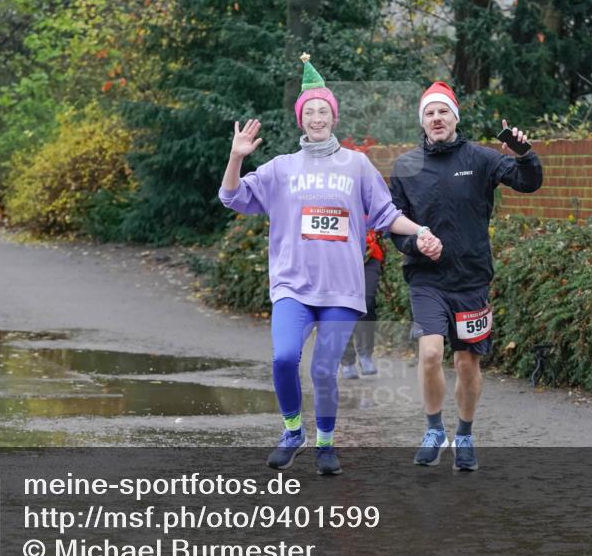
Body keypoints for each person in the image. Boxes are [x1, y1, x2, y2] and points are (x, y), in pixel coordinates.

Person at [219, 55, 441, 475]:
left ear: (334, 117)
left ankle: (325, 443)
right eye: (310, 112)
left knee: (323, 369)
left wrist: (419, 230)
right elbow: (231, 197)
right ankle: (292, 431)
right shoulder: (281, 169)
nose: (317, 118)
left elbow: (385, 214)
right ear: (301, 120)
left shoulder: (356, 165)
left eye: (324, 111)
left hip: (341, 289)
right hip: (291, 286)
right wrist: (236, 158)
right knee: (284, 358)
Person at [389, 81, 542, 471]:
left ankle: (466, 435)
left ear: (455, 117)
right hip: (427, 280)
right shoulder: (406, 167)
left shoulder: (482, 158)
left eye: (443, 112)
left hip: (472, 280)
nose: (436, 118)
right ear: (421, 121)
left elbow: (529, 182)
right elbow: (392, 226)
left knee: (467, 364)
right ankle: (433, 429)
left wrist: (525, 154)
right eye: (429, 113)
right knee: (430, 353)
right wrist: (415, 245)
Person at [339, 227, 384, 379]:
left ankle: (366, 354)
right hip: (336, 255)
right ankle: (347, 360)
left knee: (368, 302)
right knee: (342, 306)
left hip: (369, 254)